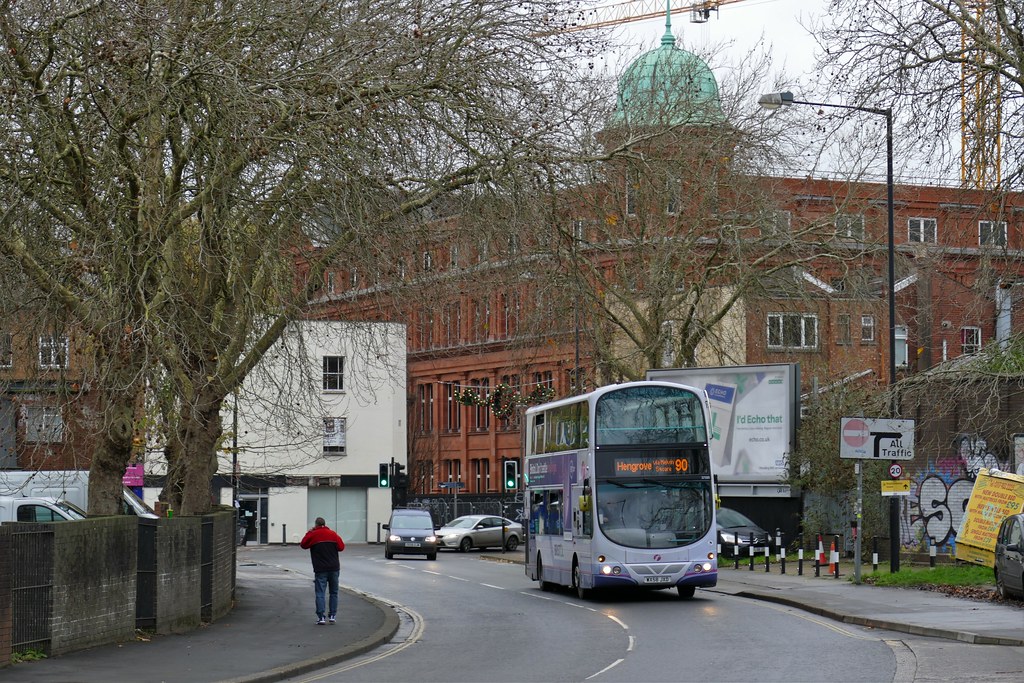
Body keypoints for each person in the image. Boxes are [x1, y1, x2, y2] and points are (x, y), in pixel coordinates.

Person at [299, 517, 345, 625]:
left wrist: (309, 532)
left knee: (320, 593)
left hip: (320, 569)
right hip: (334, 568)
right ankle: (332, 615)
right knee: (334, 592)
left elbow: (303, 544)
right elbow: (341, 547)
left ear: (316, 525)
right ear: (325, 524)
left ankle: (321, 617)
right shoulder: (333, 534)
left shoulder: (313, 534)